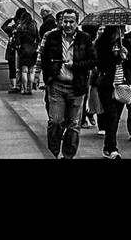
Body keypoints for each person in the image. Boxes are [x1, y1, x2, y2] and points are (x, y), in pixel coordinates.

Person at [36, 9, 96, 159]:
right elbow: (44, 58)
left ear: (77, 23)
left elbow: (93, 61)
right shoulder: (52, 37)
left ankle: (68, 155)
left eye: (71, 22)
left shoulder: (85, 39)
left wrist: (75, 64)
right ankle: (53, 153)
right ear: (61, 21)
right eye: (65, 21)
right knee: (55, 121)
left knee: (73, 125)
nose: (68, 25)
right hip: (57, 85)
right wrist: (45, 76)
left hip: (77, 87)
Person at [94, 25, 131, 159]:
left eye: (122, 29)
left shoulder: (125, 43)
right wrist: (116, 55)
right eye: (119, 29)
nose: (122, 32)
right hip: (107, 86)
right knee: (112, 116)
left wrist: (126, 55)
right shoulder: (102, 44)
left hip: (122, 86)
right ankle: (112, 148)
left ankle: (108, 147)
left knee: (115, 118)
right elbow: (100, 64)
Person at [14, 11, 40, 94]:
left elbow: (17, 42)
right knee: (31, 71)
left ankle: (24, 89)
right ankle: (30, 89)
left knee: (24, 71)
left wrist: (19, 50)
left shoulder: (20, 27)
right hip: (32, 49)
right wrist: (35, 46)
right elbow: (38, 38)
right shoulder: (34, 26)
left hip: (23, 49)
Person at [1, 9, 27, 88]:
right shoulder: (25, 28)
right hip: (22, 51)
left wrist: (10, 19)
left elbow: (3, 27)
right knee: (22, 69)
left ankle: (14, 86)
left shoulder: (12, 28)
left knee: (12, 69)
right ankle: (23, 86)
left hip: (11, 51)